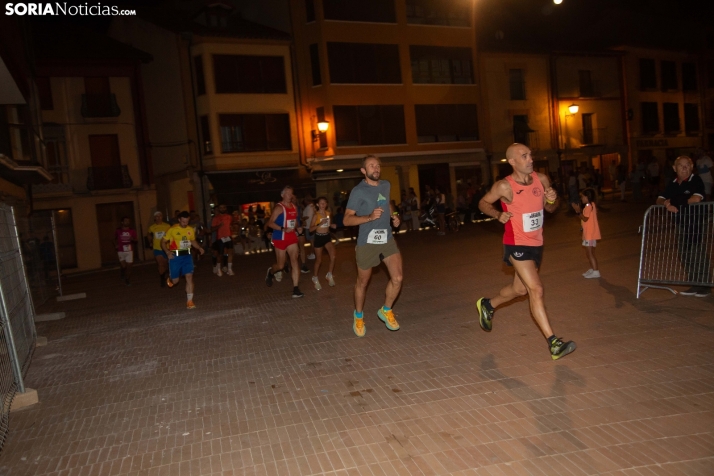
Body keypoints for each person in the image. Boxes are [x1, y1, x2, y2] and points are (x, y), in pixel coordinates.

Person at [475, 143, 577, 361]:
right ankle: (554, 343)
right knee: (536, 289)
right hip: (516, 243)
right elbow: (483, 203)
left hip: (536, 243)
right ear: (512, 162)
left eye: (531, 155)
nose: (530, 159)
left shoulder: (542, 179)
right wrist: (497, 215)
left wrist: (551, 198)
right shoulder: (505, 186)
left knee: (519, 290)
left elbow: (551, 208)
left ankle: (488, 304)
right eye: (524, 156)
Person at [344, 155, 402, 337]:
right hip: (367, 243)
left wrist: (395, 215)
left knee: (398, 278)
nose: (376, 168)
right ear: (364, 171)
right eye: (371, 166)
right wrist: (369, 217)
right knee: (363, 282)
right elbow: (346, 220)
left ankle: (386, 310)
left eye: (377, 165)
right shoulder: (358, 191)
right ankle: (359, 316)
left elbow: (388, 202)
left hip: (386, 239)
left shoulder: (386, 185)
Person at [656, 156, 710, 297]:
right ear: (675, 168)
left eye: (687, 165)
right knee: (684, 253)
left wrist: (675, 202)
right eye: (681, 165)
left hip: (695, 222)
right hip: (680, 223)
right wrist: (667, 204)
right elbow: (659, 198)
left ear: (692, 167)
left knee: (697, 252)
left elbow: (696, 198)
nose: (684, 168)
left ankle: (705, 285)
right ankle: (694, 283)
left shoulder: (695, 180)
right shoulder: (673, 183)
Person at [265, 186, 305, 298]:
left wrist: (298, 228)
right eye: (287, 193)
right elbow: (270, 223)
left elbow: (295, 221)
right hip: (280, 238)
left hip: (291, 238)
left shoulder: (294, 207)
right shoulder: (279, 207)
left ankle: (296, 289)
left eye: (291, 193)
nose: (290, 195)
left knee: (294, 261)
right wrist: (283, 229)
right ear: (282, 195)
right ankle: (271, 272)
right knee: (281, 265)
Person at [162, 211, 205, 309]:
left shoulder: (190, 229)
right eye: (183, 222)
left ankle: (190, 301)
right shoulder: (172, 229)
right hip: (175, 257)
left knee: (189, 277)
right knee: (175, 281)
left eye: (187, 221)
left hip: (187, 256)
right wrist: (168, 252)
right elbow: (163, 242)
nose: (185, 223)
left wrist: (199, 248)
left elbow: (192, 240)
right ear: (179, 220)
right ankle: (171, 279)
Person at [309, 197, 338, 291]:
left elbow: (328, 224)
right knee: (319, 260)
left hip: (327, 237)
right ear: (317, 204)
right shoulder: (316, 215)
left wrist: (331, 225)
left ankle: (329, 274)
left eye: (325, 203)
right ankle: (315, 277)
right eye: (321, 203)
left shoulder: (328, 213)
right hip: (318, 237)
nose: (323, 205)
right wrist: (319, 224)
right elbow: (310, 229)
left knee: (333, 256)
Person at [571, 189, 601, 278]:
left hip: (590, 234)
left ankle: (596, 271)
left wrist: (577, 211)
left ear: (587, 197)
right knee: (590, 252)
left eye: (583, 196)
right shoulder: (591, 205)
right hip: (589, 232)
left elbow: (585, 218)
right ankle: (593, 268)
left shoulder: (588, 207)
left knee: (590, 253)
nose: (581, 198)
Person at [148, 211, 171, 287]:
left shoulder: (167, 226)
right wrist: (150, 241)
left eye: (160, 216)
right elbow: (149, 234)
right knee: (160, 264)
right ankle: (162, 279)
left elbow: (171, 235)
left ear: (162, 217)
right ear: (155, 218)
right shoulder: (152, 227)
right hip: (157, 248)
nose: (158, 218)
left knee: (165, 264)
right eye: (157, 216)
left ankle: (165, 272)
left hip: (166, 248)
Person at [210, 204, 234, 276]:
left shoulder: (229, 217)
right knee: (220, 255)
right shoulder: (215, 218)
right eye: (221, 208)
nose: (222, 209)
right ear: (219, 209)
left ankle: (229, 269)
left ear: (225, 208)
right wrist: (219, 226)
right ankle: (218, 269)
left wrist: (231, 228)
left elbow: (230, 225)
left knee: (230, 252)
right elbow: (212, 229)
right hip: (220, 238)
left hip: (228, 237)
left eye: (224, 207)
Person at [115, 217, 137, 286]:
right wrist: (116, 245)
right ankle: (122, 271)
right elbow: (113, 238)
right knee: (124, 266)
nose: (127, 222)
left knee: (129, 266)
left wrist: (132, 239)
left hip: (129, 250)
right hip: (121, 250)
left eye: (128, 221)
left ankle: (127, 279)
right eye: (126, 221)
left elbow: (136, 240)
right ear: (122, 222)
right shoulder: (118, 231)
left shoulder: (132, 231)